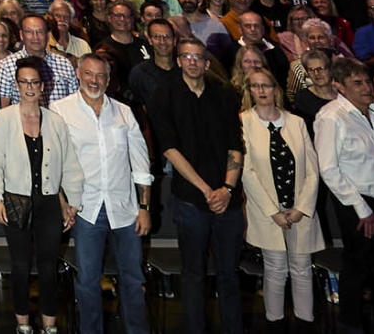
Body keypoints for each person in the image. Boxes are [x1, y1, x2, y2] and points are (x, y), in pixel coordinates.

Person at [50, 53, 150, 334]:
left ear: (109, 79)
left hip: (125, 209)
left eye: (101, 75)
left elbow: (141, 163)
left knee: (132, 277)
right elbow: (53, 161)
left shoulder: (124, 112)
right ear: (79, 75)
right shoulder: (60, 110)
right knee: (87, 280)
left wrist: (145, 207)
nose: (94, 80)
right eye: (89, 74)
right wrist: (62, 203)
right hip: (85, 208)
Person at [157, 38, 245, 334]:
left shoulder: (223, 95)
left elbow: (236, 147)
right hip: (190, 200)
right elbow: (169, 149)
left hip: (228, 200)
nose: (193, 61)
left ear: (207, 63)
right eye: (187, 56)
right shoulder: (165, 94)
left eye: (198, 57)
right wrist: (208, 190)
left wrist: (228, 189)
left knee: (229, 275)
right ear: (178, 61)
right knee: (193, 274)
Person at [0, 56, 75, 333]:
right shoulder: (4, 118)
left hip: (48, 204)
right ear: (16, 85)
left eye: (35, 82)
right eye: (24, 82)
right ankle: (23, 324)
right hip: (15, 202)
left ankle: (49, 324)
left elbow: (69, 165)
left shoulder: (55, 121)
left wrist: (71, 203)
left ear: (43, 85)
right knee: (20, 265)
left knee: (49, 266)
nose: (30, 87)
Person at [313, 59, 374, 334]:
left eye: (366, 81)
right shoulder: (331, 116)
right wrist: (361, 209)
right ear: (339, 86)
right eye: (357, 83)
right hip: (357, 205)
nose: (366, 87)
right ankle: (350, 326)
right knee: (357, 269)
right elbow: (328, 169)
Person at [239, 68, 319, 332]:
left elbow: (311, 169)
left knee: (302, 268)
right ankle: (275, 324)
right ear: (249, 91)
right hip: (267, 211)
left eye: (267, 85)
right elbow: (247, 172)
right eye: (255, 86)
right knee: (275, 269)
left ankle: (305, 325)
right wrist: (273, 211)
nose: (262, 91)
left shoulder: (296, 122)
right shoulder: (243, 122)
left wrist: (301, 208)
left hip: (299, 209)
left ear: (276, 89)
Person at [0, 15, 80, 104]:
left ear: (47, 35)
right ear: (21, 35)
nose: (35, 37)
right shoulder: (7, 66)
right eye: (29, 32)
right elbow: (3, 108)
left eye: (40, 32)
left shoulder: (64, 64)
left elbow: (75, 102)